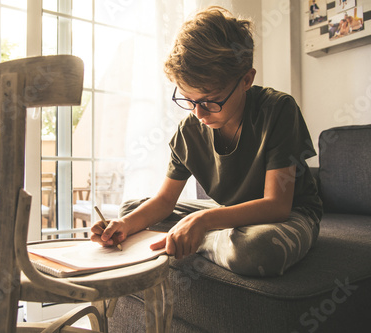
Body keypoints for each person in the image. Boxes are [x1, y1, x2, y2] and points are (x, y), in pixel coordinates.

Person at [90, 6, 322, 277]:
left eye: (210, 100)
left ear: (246, 79)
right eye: (188, 100)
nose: (198, 113)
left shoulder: (278, 109)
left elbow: (277, 205)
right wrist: (124, 225)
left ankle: (200, 239)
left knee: (255, 250)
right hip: (229, 211)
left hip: (291, 213)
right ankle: (200, 236)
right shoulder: (189, 130)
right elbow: (165, 200)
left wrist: (203, 221)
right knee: (131, 211)